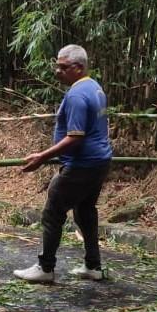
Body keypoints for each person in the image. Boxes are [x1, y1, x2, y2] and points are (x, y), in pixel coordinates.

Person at [13, 44, 113, 283]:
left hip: (82, 165)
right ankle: (93, 266)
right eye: (57, 66)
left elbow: (76, 136)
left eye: (63, 67)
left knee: (52, 211)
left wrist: (41, 157)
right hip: (99, 162)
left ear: (78, 68)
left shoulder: (78, 95)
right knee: (85, 212)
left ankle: (45, 268)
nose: (57, 71)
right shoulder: (94, 87)